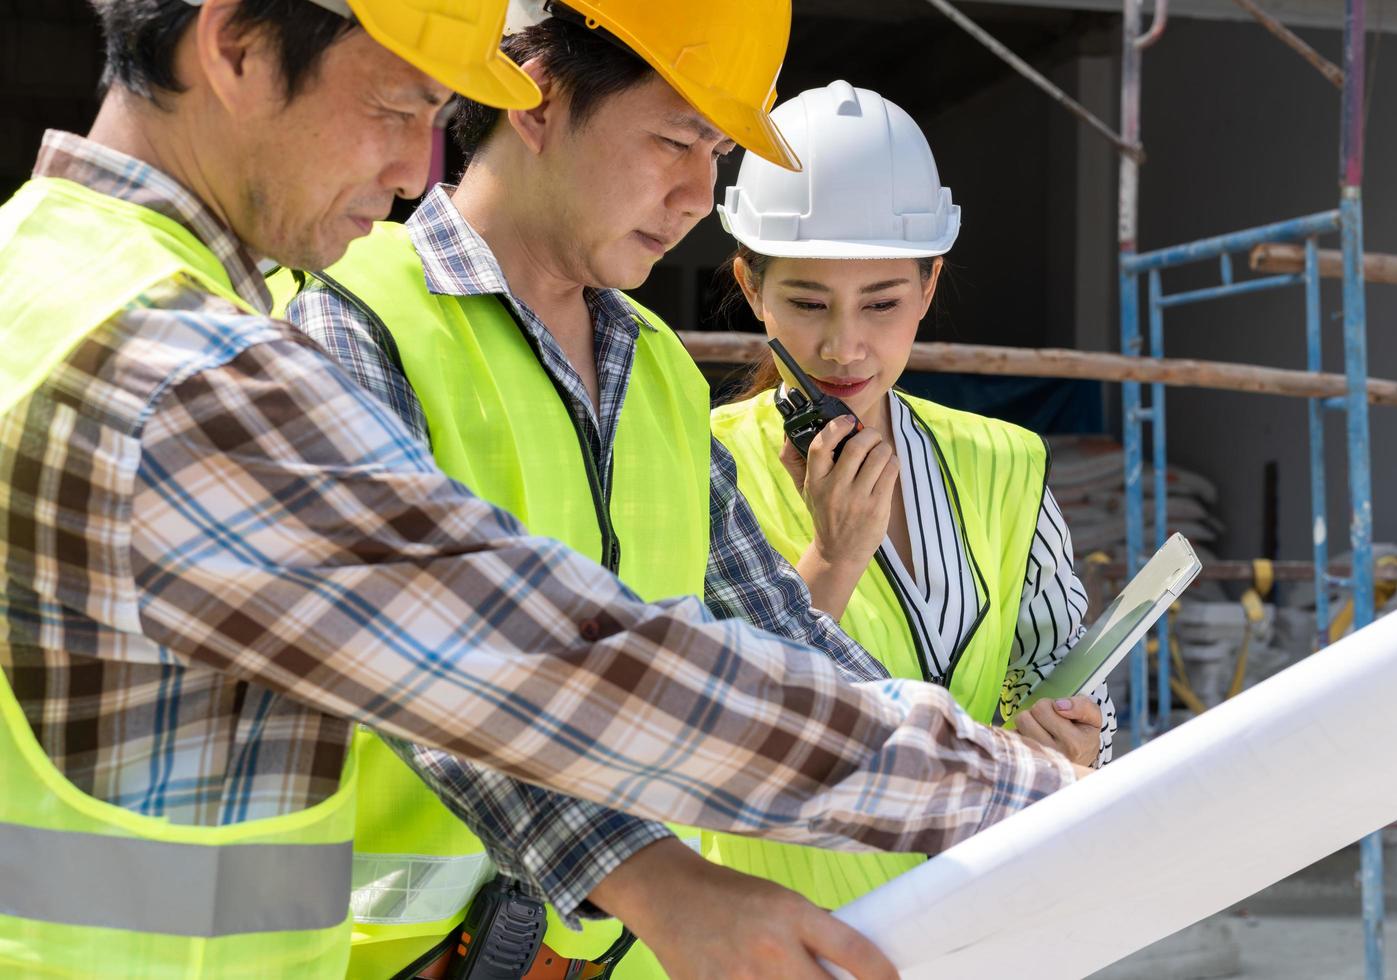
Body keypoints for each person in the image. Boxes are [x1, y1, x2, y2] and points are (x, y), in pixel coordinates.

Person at [0, 4, 1086, 979]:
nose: (413, 166)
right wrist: (1009, 793)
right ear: (235, 44)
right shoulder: (198, 364)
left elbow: (757, 631)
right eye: (396, 106)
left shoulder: (47, 277)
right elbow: (538, 661)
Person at [280, 6, 978, 977]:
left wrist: (998, 786)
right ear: (539, 97)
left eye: (718, 153)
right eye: (675, 140)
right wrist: (657, 881)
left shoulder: (654, 372)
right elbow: (424, 674)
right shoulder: (349, 325)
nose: (699, 192)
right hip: (384, 956)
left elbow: (787, 650)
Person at [704, 80, 1118, 912]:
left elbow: (1049, 672)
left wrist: (1075, 735)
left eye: (883, 303)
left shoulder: (1005, 460)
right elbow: (707, 731)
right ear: (753, 289)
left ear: (929, 289)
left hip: (975, 920)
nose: (844, 343)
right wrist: (832, 558)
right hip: (780, 933)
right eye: (808, 302)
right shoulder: (697, 460)